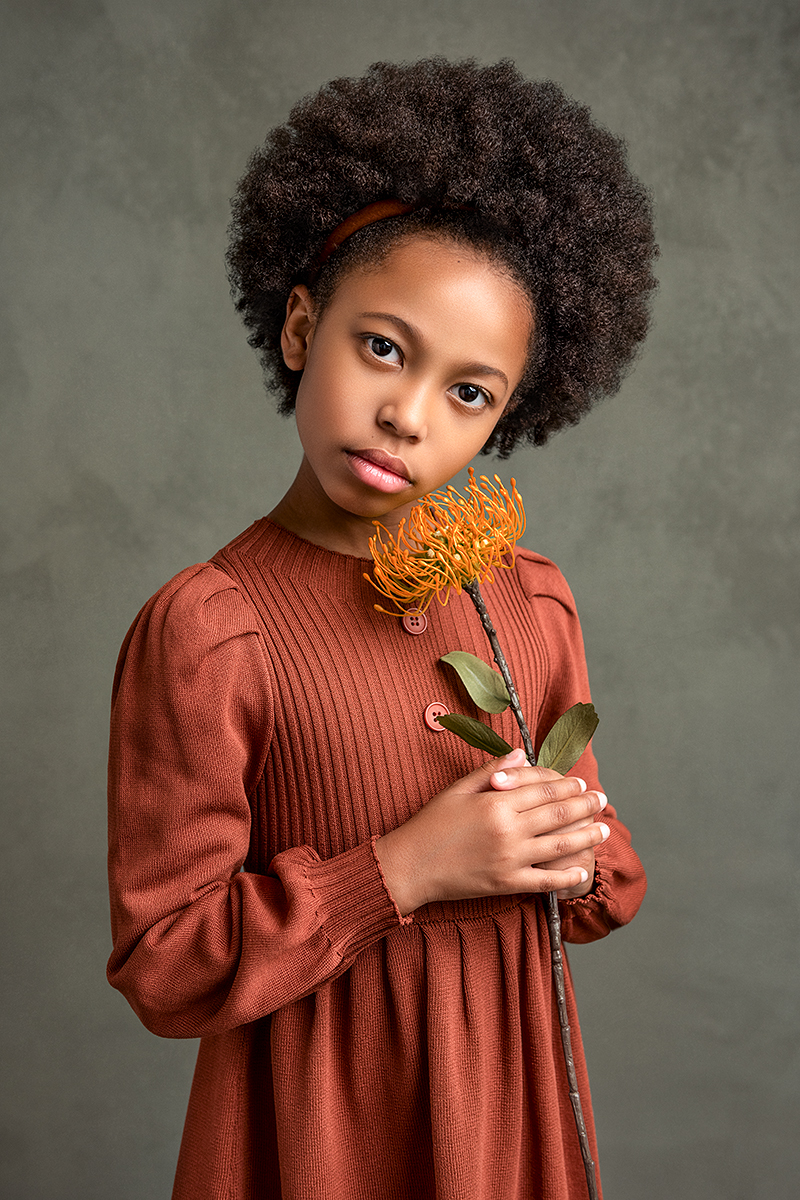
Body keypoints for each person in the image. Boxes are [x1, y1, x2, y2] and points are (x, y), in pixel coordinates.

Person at [107, 58, 655, 1200]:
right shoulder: (211, 631)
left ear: (509, 417)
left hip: (508, 1127)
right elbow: (165, 967)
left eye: (470, 393)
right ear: (304, 325)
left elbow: (606, 891)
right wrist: (403, 870)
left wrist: (565, 848)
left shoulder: (529, 602)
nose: (406, 415)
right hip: (315, 1141)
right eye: (384, 348)